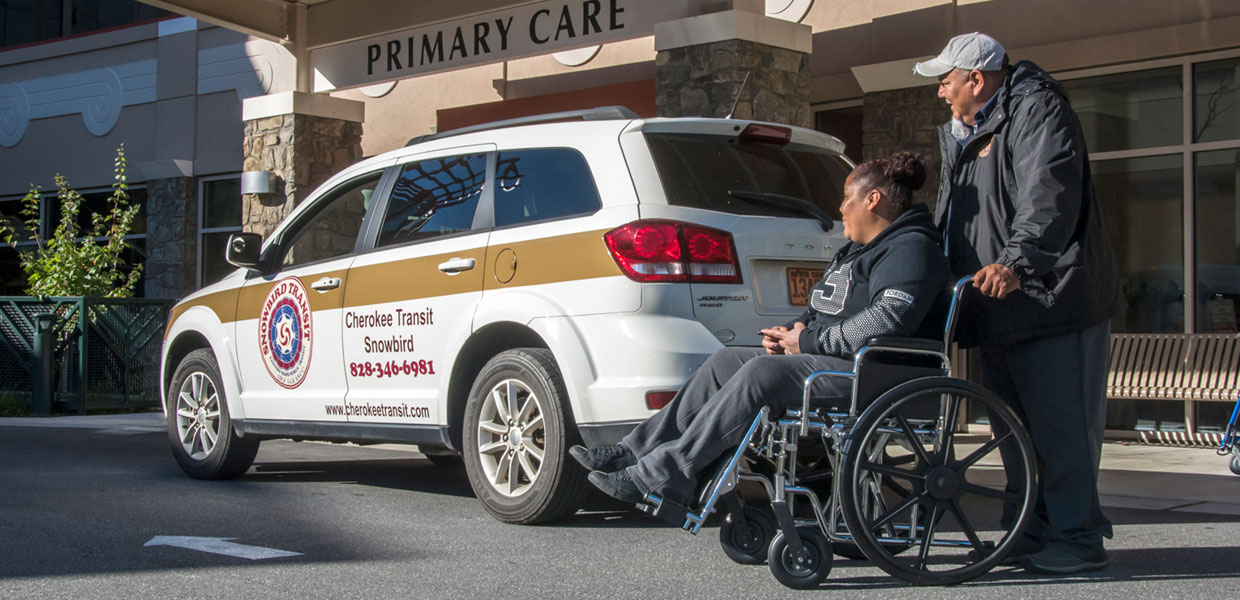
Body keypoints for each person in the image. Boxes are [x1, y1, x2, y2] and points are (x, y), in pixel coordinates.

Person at [574, 152, 950, 511]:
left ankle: (666, 474)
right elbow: (824, 309)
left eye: (845, 199)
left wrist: (806, 341)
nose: (839, 209)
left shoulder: (910, 247)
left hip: (876, 375)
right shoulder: (859, 250)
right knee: (726, 361)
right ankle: (634, 450)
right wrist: (792, 329)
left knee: (761, 374)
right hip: (833, 361)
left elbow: (888, 317)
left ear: (872, 200)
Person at [913, 32, 1123, 575]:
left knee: (1062, 429)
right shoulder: (969, 132)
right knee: (1014, 430)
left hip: (1050, 301)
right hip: (994, 308)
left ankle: (1078, 538)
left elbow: (1049, 193)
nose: (941, 93)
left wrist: (1019, 261)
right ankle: (1031, 530)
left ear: (975, 79)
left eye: (946, 81)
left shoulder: (1037, 110)